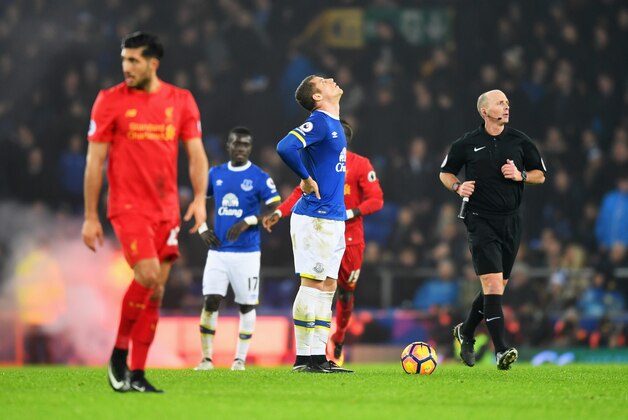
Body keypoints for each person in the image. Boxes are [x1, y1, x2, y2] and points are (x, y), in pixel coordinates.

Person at [82, 32, 209, 392]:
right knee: (149, 273)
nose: (126, 67)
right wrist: (91, 215)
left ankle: (136, 375)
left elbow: (196, 154)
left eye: (134, 60)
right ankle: (119, 355)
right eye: (124, 60)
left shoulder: (181, 101)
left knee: (156, 292)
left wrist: (200, 198)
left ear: (153, 63)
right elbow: (95, 161)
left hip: (166, 209)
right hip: (128, 206)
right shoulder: (109, 102)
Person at [439, 89, 546, 370]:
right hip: (479, 219)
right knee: (492, 285)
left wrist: (520, 175)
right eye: (500, 103)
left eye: (508, 103)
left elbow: (540, 174)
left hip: (511, 221)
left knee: (496, 289)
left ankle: (466, 331)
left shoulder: (520, 141)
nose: (507, 106)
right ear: (484, 111)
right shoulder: (466, 143)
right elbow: (445, 172)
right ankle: (501, 350)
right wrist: (457, 186)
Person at [262, 119, 384, 365]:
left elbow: (376, 200)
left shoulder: (360, 165)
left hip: (349, 237)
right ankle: (309, 355)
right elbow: (301, 190)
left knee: (343, 293)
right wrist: (280, 212)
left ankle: (336, 339)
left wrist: (349, 214)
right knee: (313, 285)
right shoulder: (322, 163)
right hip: (321, 226)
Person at [275, 75, 352, 373]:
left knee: (329, 284)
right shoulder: (319, 122)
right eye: (323, 81)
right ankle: (303, 358)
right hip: (314, 217)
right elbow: (284, 147)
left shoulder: (333, 124)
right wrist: (306, 178)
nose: (331, 79)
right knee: (312, 283)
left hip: (333, 217)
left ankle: (319, 356)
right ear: (317, 97)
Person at [193, 127, 280, 371]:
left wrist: (249, 221)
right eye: (236, 144)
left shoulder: (259, 176)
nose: (240, 148)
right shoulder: (216, 174)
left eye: (245, 145)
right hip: (218, 253)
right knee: (210, 301)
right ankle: (206, 359)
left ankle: (239, 359)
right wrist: (201, 227)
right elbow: (198, 199)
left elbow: (276, 207)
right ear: (229, 145)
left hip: (247, 253)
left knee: (246, 305)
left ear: (250, 148)